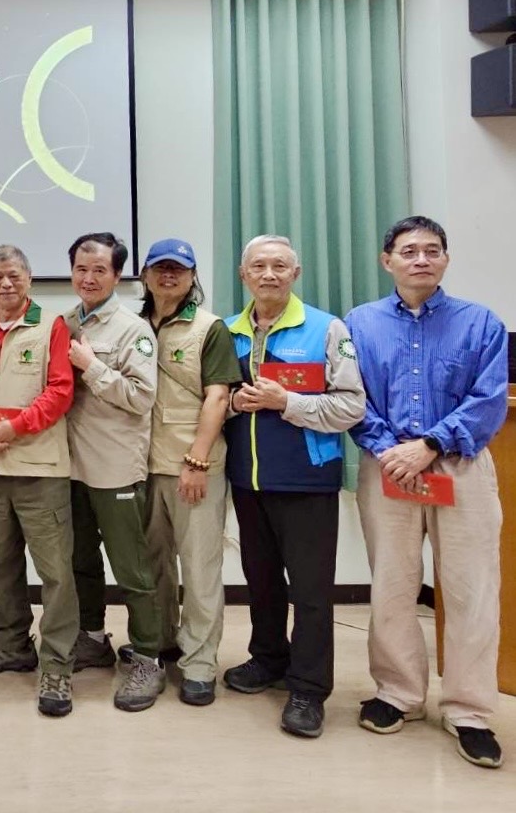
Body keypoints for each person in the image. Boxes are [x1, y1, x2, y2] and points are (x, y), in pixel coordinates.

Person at [345, 216, 507, 769]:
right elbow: (353, 397)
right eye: (409, 251)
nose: (421, 259)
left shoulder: (480, 322)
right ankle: (398, 693)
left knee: (470, 589)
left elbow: (489, 399)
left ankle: (469, 710)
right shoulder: (360, 323)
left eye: (432, 251)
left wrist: (430, 445)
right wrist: (393, 450)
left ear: (446, 260)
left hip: (460, 465)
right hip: (387, 465)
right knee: (392, 583)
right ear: (386, 260)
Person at [222, 235, 365, 739]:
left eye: (279, 266)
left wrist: (287, 402)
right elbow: (213, 399)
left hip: (307, 482)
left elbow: (351, 406)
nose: (269, 274)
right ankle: (268, 659)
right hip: (248, 481)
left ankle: (308, 688)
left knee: (310, 591)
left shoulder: (327, 329)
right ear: (243, 275)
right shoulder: (227, 332)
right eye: (259, 266)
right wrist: (235, 404)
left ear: (295, 273)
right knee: (261, 582)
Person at [0, 245, 79, 718]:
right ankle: (11, 643)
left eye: (14, 275)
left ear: (29, 278)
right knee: (0, 564)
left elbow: (61, 390)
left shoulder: (53, 326)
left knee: (55, 572)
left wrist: (16, 426)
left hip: (39, 466)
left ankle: (57, 664)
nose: (6, 284)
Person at [63, 232, 165, 712]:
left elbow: (141, 398)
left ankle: (147, 657)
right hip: (69, 467)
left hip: (115, 468)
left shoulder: (132, 329)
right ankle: (92, 638)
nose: (88, 278)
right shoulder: (65, 322)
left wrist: (91, 367)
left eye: (99, 270)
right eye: (81, 269)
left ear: (117, 275)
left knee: (132, 568)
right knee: (80, 560)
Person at [140, 238, 242, 707]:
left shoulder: (209, 328)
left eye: (178, 269)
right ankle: (162, 643)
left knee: (200, 569)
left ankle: (199, 663)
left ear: (192, 276)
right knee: (151, 565)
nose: (168, 276)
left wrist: (197, 461)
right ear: (144, 275)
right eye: (160, 268)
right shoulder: (134, 325)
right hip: (142, 467)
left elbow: (218, 397)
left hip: (192, 468)